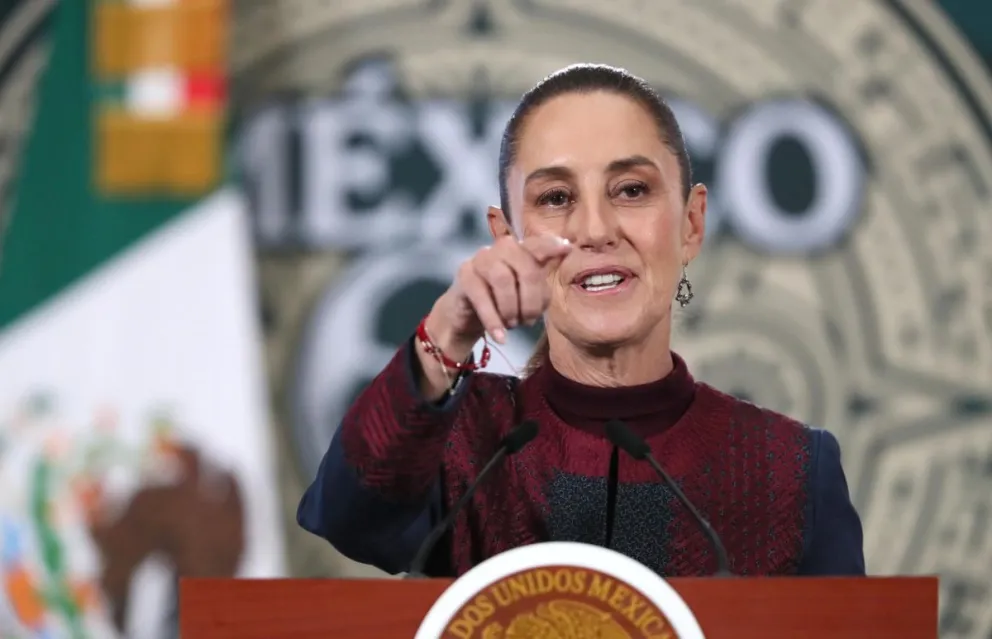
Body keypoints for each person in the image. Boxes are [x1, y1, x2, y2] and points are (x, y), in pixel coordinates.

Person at [297, 63, 865, 577]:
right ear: (506, 237)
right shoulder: (465, 442)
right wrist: (445, 332)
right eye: (555, 198)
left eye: (632, 190)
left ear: (691, 224)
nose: (595, 229)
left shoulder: (787, 470)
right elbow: (349, 516)